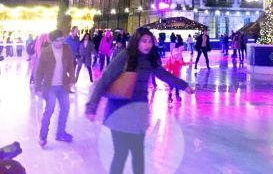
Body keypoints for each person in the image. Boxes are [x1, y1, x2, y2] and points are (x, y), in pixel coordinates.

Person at [85, 27, 194, 174]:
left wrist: (183, 85)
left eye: (150, 41)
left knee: (138, 153)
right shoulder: (125, 56)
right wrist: (92, 107)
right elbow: (104, 79)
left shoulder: (150, 59)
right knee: (121, 153)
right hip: (119, 112)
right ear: (136, 42)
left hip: (138, 112)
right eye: (144, 41)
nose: (148, 45)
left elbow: (162, 74)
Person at [35, 30, 76, 147]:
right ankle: (42, 137)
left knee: (66, 108)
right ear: (52, 41)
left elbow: (70, 65)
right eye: (58, 40)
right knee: (49, 110)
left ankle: (60, 133)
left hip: (63, 85)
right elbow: (39, 71)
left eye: (62, 39)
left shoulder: (66, 49)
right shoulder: (45, 52)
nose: (61, 42)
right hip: (50, 87)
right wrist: (38, 87)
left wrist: (72, 79)